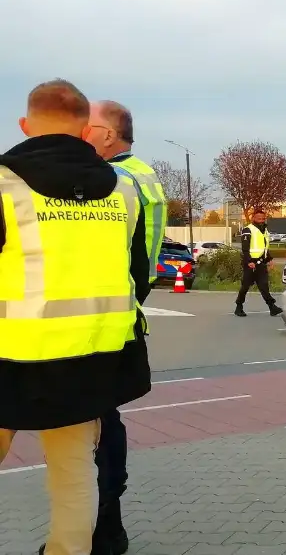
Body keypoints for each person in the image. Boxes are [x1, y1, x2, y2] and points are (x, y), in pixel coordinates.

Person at [0, 79, 151, 555]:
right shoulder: (123, 192)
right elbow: (136, 274)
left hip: (10, 355)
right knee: (74, 475)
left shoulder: (5, 186)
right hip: (91, 358)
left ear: (26, 125)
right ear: (85, 129)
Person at [83, 100, 164, 555]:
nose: (80, 135)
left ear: (109, 135)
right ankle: (108, 520)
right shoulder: (142, 173)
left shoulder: (116, 181)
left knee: (96, 420)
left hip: (108, 307)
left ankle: (105, 524)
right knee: (105, 417)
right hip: (129, 303)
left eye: (87, 127)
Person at [235, 209, 282, 318]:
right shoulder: (248, 230)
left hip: (261, 264)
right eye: (258, 218)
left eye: (263, 218)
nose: (261, 220)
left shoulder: (265, 231)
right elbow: (245, 249)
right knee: (245, 286)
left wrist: (269, 259)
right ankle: (239, 306)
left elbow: (264, 247)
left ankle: (272, 307)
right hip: (250, 264)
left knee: (264, 286)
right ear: (253, 219)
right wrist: (249, 261)